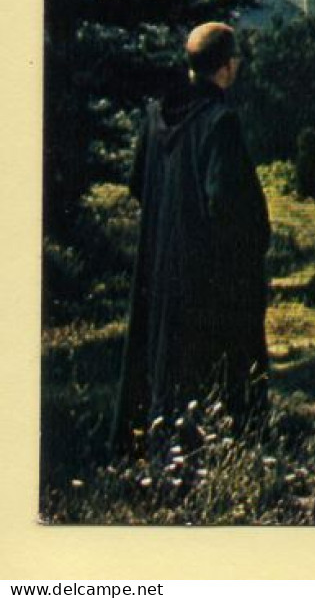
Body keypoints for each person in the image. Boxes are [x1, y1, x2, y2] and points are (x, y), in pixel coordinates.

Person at [113, 22, 271, 453]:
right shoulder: (220, 125)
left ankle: (162, 461)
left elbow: (136, 185)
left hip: (159, 271)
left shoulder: (155, 118)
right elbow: (231, 208)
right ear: (226, 67)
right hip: (206, 279)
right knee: (214, 378)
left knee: (164, 375)